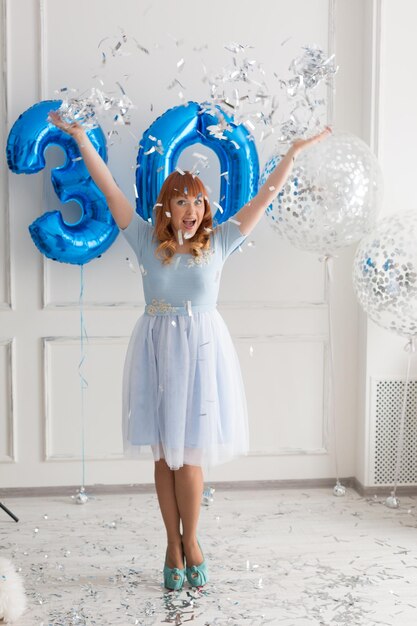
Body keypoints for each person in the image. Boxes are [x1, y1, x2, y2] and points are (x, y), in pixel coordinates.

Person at [48, 109, 330, 590]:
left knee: (191, 455)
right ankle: (171, 544)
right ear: (166, 208)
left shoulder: (220, 242)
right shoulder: (143, 239)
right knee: (165, 456)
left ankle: (192, 540)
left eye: (197, 201)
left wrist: (294, 152)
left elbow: (265, 197)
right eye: (181, 202)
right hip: (157, 352)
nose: (191, 210)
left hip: (202, 354)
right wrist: (79, 139)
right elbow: (109, 188)